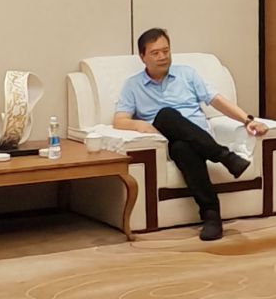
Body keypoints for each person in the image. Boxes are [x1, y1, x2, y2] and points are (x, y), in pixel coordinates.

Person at [113, 28, 266, 242]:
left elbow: (217, 100)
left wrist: (248, 120)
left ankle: (211, 216)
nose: (162, 57)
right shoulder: (133, 85)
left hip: (198, 139)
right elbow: (119, 120)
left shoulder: (187, 74)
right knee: (166, 115)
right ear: (142, 57)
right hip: (165, 139)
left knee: (183, 148)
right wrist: (141, 125)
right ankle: (225, 156)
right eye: (155, 53)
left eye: (166, 51)